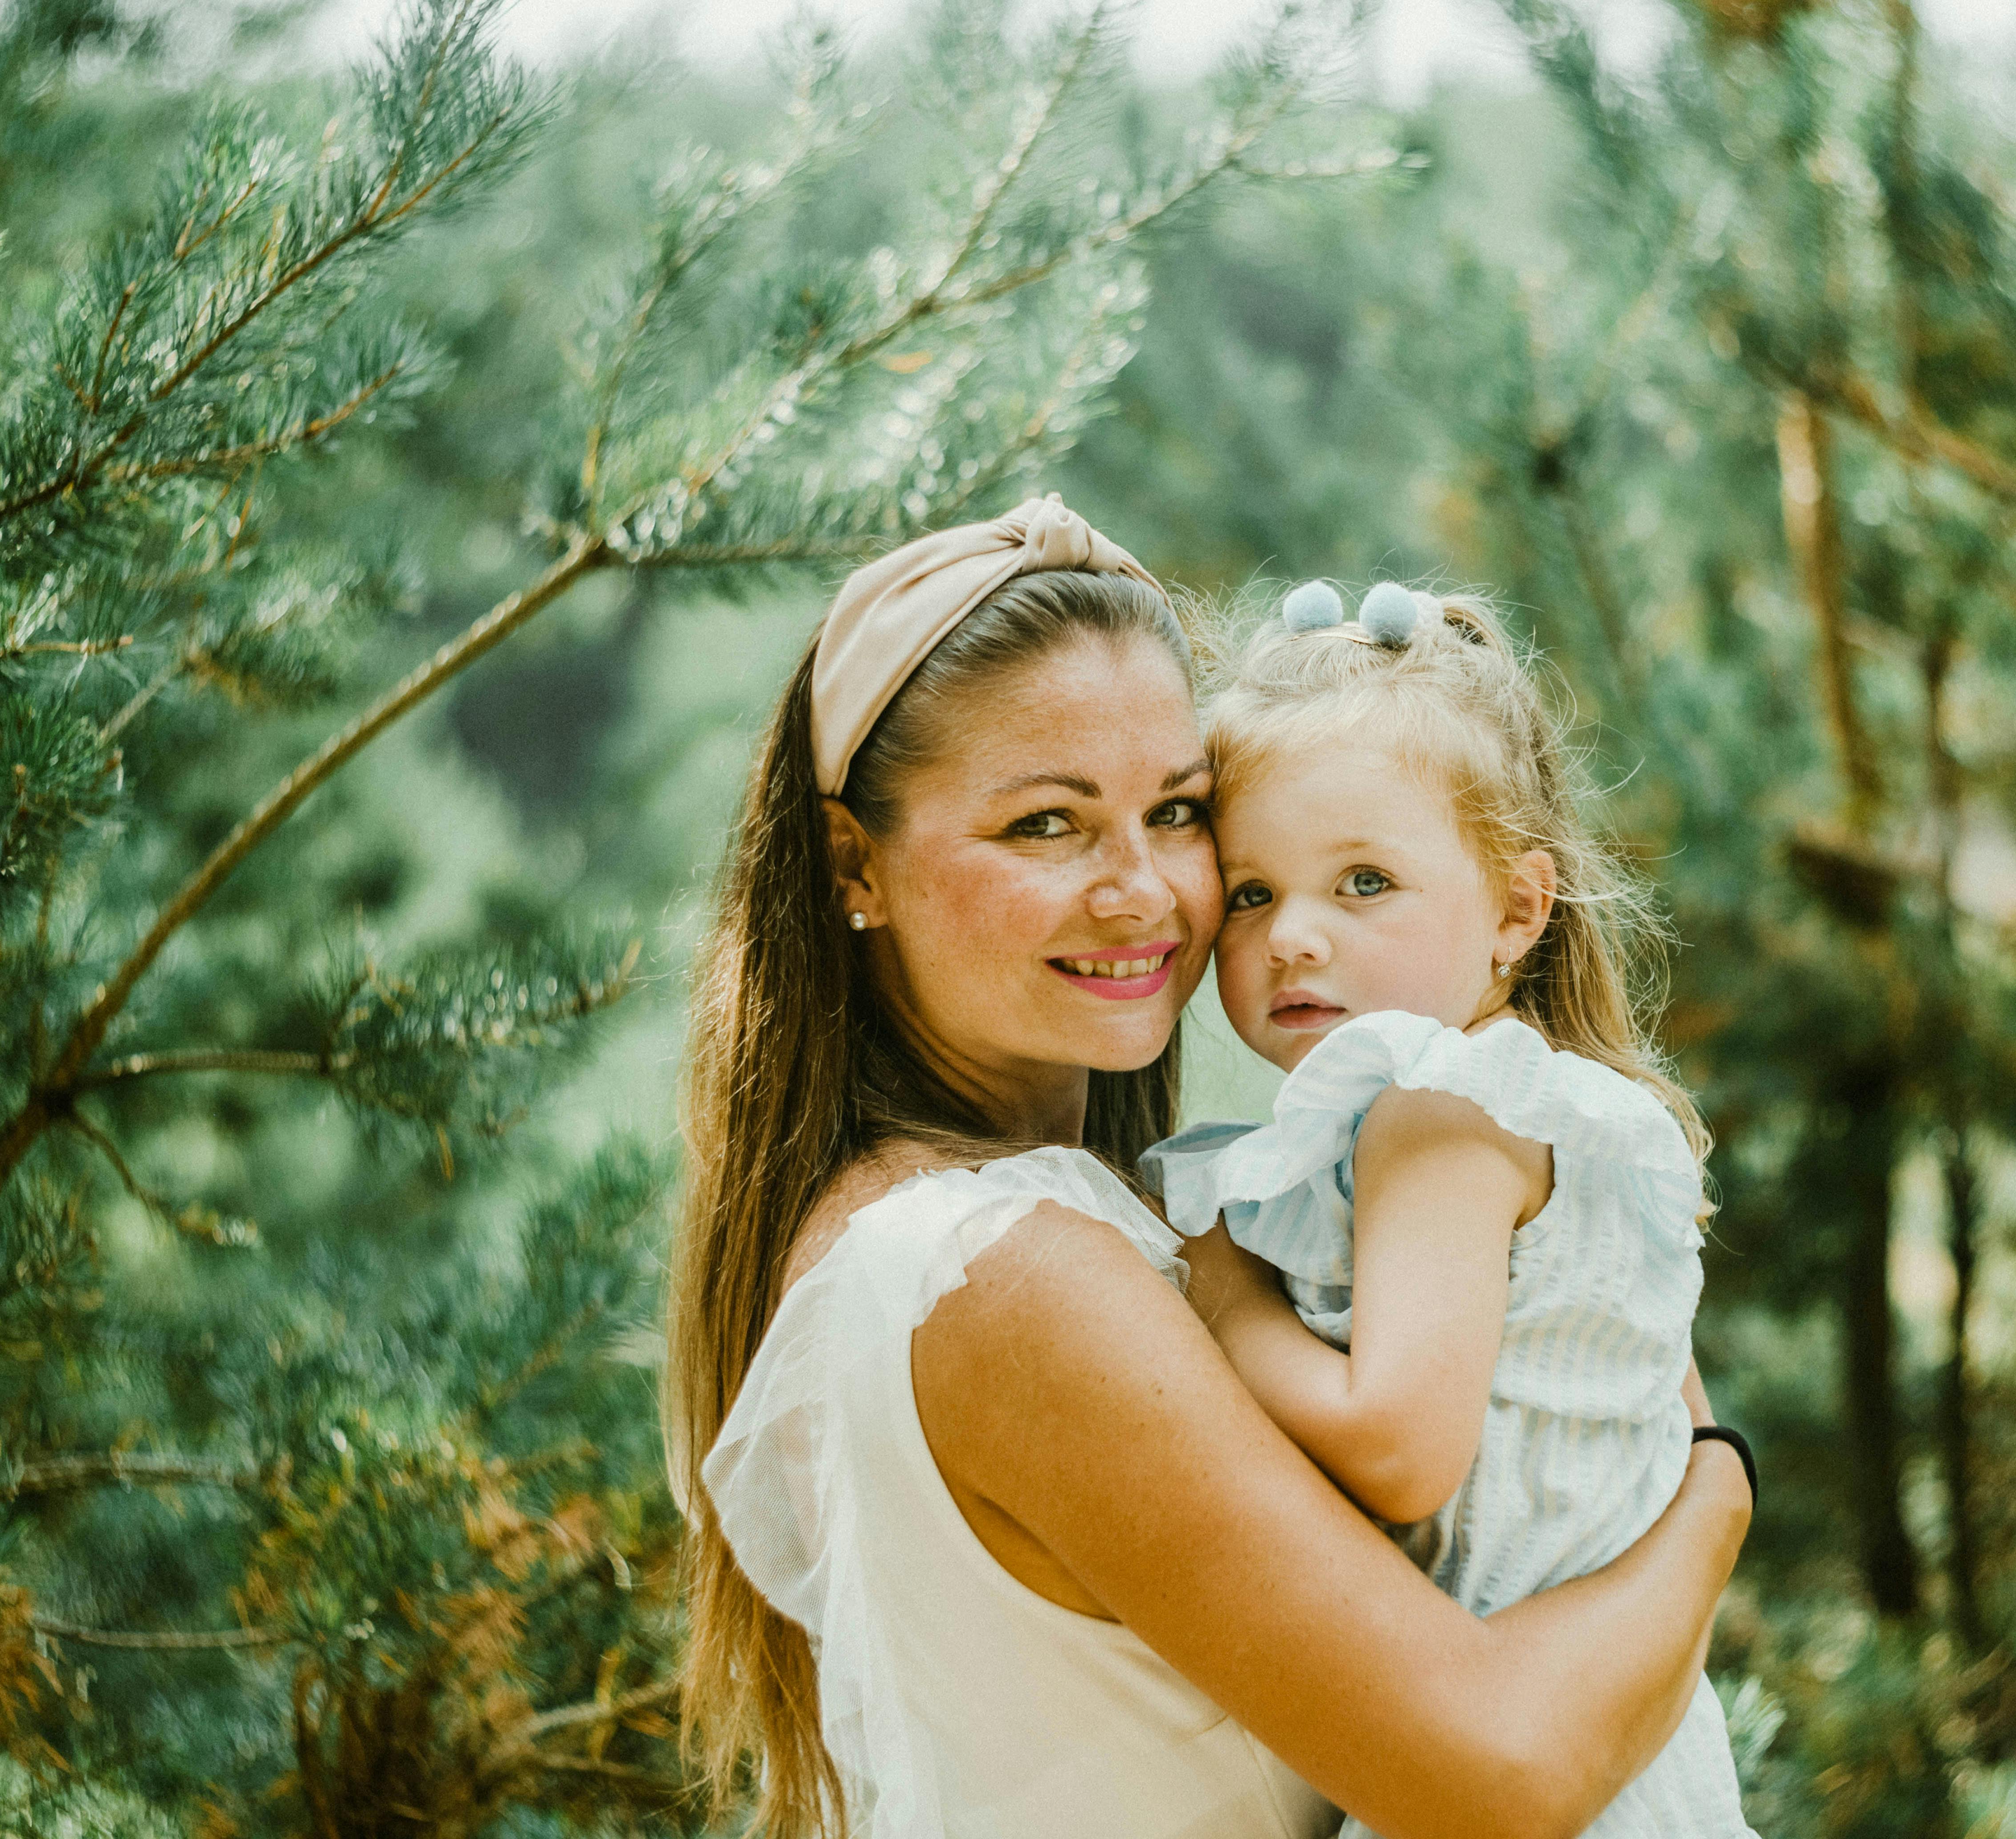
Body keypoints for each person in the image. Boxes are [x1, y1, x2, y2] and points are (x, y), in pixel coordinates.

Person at [663, 497, 1753, 1839]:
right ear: (855, 864)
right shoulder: (1007, 1270)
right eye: (1046, 826)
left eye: (1177, 812)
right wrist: (1716, 1484)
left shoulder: (915, 1230)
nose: (1146, 890)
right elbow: (1503, 1775)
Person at [1140, 580, 1753, 1839]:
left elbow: (1402, 1452)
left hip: (1527, 1748)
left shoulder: (1436, 1112)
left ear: (1518, 912)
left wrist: (1218, 1292)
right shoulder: (1516, 1110)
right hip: (1609, 1746)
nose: (1294, 937)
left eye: (1363, 882)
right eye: (1252, 893)